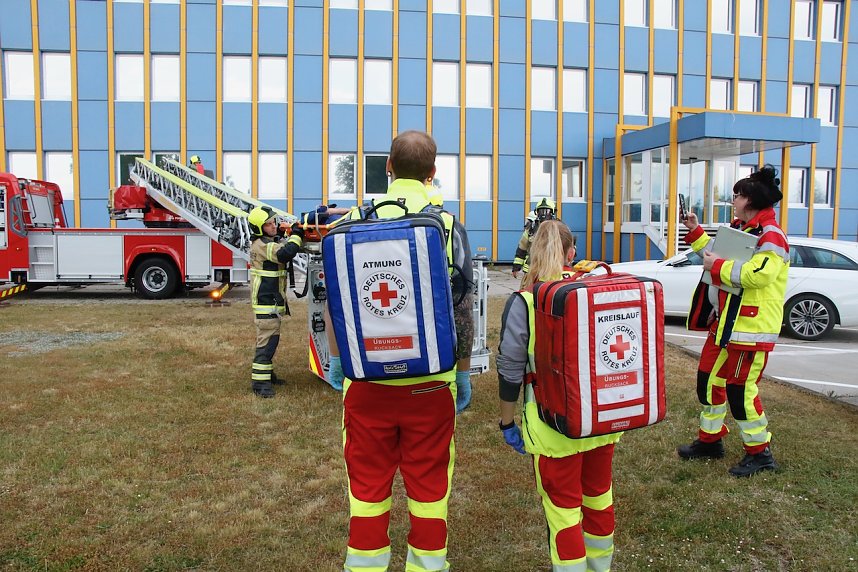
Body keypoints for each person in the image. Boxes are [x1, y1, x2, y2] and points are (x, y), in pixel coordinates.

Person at [331, 130, 473, 572]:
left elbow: (337, 300)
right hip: (431, 384)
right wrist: (463, 370)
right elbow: (463, 308)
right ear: (433, 173)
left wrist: (339, 362)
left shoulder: (349, 223)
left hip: (367, 383)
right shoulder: (447, 226)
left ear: (387, 168)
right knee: (430, 492)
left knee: (367, 492)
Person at [497, 220, 621, 572]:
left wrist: (507, 421)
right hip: (601, 422)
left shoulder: (525, 300)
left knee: (564, 513)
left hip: (554, 431)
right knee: (599, 500)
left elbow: (510, 370)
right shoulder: (594, 290)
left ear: (531, 252)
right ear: (572, 253)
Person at [677, 165, 788, 477]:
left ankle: (760, 453)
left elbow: (758, 275)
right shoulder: (744, 230)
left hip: (750, 330)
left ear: (750, 200)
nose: (733, 200)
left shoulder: (771, 236)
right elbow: (715, 256)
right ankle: (710, 441)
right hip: (726, 325)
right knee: (708, 382)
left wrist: (719, 267)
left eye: (737, 196)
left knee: (740, 391)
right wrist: (696, 231)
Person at [247, 206, 304, 398]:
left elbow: (278, 246)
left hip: (269, 303)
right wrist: (297, 233)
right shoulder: (263, 246)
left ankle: (266, 374)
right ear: (259, 229)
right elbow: (285, 253)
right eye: (269, 224)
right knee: (267, 343)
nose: (273, 226)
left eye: (274, 222)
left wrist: (280, 233)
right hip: (267, 304)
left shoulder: (264, 242)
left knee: (269, 340)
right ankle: (260, 384)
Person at [512, 197, 557, 278]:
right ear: (536, 212)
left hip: (552, 271)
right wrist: (516, 267)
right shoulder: (531, 229)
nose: (543, 214)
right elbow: (522, 248)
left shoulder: (559, 228)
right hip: (531, 271)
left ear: (553, 212)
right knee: (526, 290)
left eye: (547, 211)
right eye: (541, 211)